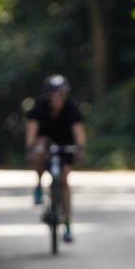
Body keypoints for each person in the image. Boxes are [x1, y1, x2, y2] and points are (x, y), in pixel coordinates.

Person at [25, 75, 86, 243]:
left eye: (60, 94)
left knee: (65, 182)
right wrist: (31, 147)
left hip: (65, 146)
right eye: (53, 94)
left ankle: (67, 224)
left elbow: (79, 131)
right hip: (45, 145)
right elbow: (32, 129)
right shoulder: (40, 107)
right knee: (40, 148)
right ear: (47, 95)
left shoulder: (71, 108)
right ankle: (38, 184)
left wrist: (80, 148)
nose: (56, 98)